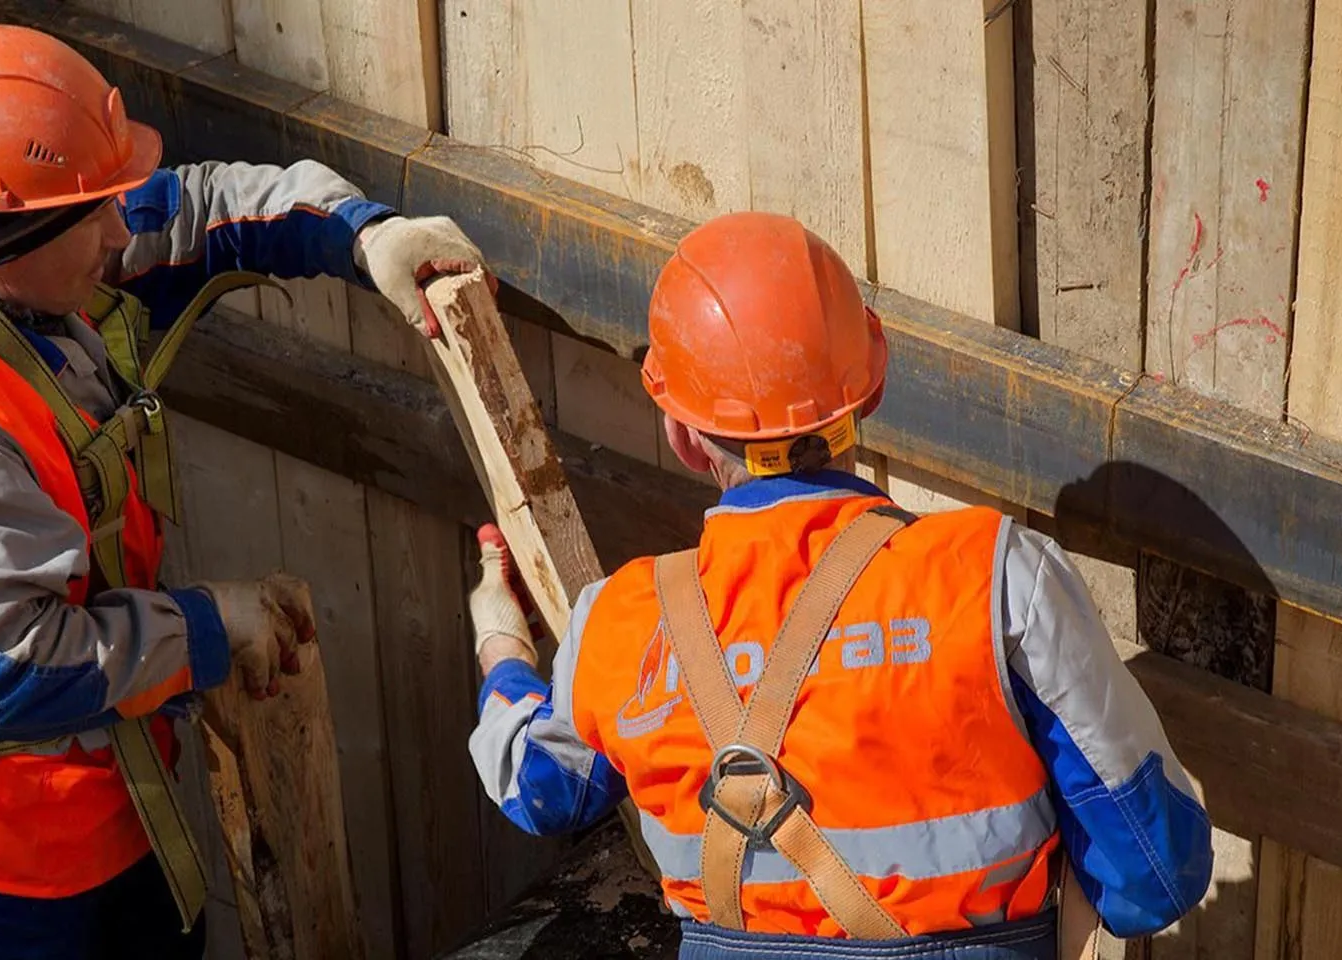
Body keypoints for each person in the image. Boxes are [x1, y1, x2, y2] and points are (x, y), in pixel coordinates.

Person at [0, 23, 483, 960]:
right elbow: (3, 674)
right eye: (98, 215)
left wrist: (364, 235)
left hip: (113, 796)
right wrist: (207, 626)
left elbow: (190, 212)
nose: (123, 232)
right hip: (9, 870)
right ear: (8, 236)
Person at [465, 211, 1213, 958]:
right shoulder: (995, 579)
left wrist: (501, 643)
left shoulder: (618, 623)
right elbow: (1153, 876)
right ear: (870, 389)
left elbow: (540, 790)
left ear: (683, 435)